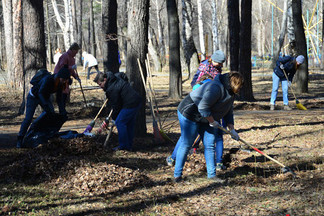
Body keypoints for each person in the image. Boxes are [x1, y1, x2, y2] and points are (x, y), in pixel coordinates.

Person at [173, 71, 244, 183]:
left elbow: (228, 111)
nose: (240, 90)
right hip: (190, 113)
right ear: (234, 84)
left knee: (210, 144)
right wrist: (213, 122)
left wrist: (232, 129)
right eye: (239, 87)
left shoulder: (231, 93)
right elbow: (203, 107)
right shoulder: (215, 88)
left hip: (207, 117)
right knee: (187, 143)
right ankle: (177, 176)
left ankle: (212, 175)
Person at [166, 74, 227, 171]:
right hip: (195, 116)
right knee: (206, 143)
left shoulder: (201, 87)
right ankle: (217, 164)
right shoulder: (213, 88)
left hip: (207, 116)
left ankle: (173, 159)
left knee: (185, 141)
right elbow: (203, 106)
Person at [16, 67, 70, 148]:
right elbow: (40, 93)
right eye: (64, 79)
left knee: (51, 114)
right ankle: (20, 139)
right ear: (59, 76)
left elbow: (59, 99)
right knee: (28, 118)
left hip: (44, 97)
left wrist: (63, 111)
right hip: (34, 96)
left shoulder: (61, 84)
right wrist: (46, 106)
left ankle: (45, 135)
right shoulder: (48, 79)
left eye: (66, 80)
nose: (65, 81)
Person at [94, 72, 142, 151]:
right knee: (129, 123)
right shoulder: (114, 77)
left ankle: (123, 146)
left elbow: (116, 106)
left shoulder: (111, 89)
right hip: (135, 100)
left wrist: (114, 119)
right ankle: (128, 145)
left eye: (100, 84)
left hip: (130, 103)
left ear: (105, 80)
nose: (100, 87)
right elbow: (122, 74)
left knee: (120, 122)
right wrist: (125, 83)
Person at [54, 42, 82, 108]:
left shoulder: (72, 59)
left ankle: (63, 109)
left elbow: (72, 71)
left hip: (65, 78)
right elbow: (62, 66)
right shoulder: (65, 56)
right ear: (72, 50)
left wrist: (76, 77)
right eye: (76, 51)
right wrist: (71, 67)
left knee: (65, 93)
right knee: (61, 93)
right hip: (59, 77)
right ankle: (61, 109)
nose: (76, 53)